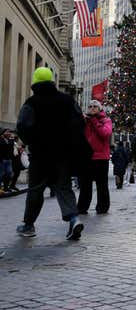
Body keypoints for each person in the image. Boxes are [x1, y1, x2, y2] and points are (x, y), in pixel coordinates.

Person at [15, 67, 89, 240]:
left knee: (35, 189)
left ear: (35, 82)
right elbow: (79, 123)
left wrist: (31, 141)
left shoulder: (31, 103)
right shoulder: (67, 100)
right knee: (64, 188)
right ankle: (73, 218)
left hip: (40, 155)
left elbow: (22, 127)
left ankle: (29, 225)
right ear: (51, 82)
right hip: (62, 154)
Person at [77, 99, 113, 215]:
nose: (92, 108)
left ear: (100, 109)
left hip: (101, 158)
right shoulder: (84, 121)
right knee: (84, 185)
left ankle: (102, 207)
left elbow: (105, 134)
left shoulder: (106, 121)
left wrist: (94, 121)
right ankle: (82, 207)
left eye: (95, 106)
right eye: (90, 106)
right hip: (86, 157)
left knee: (102, 184)